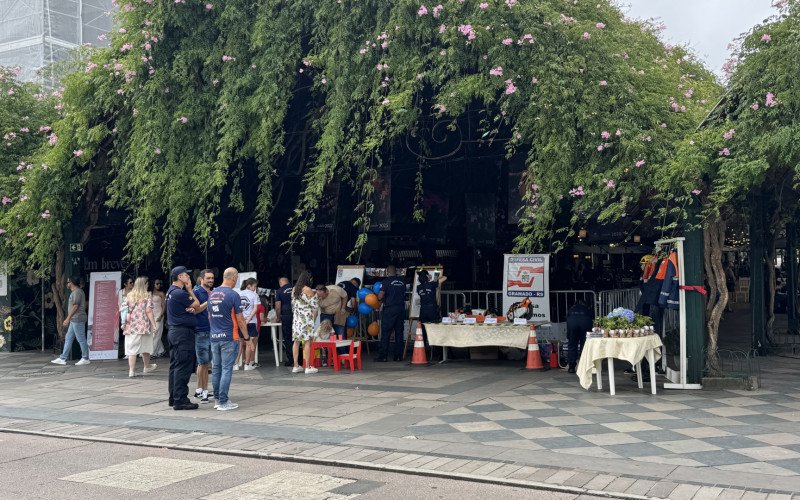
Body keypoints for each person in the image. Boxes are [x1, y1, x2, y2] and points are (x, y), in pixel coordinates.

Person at [208, 267, 252, 411]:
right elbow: (240, 320)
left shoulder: (212, 293)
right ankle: (224, 401)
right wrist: (247, 338)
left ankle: (217, 400)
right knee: (226, 369)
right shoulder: (233, 295)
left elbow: (210, 316)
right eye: (237, 278)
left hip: (214, 337)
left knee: (216, 369)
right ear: (234, 278)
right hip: (229, 337)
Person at [166, 265, 200, 410]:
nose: (188, 277)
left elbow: (192, 308)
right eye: (186, 275)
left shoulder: (170, 292)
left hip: (175, 332)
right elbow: (197, 304)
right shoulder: (180, 293)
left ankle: (174, 397)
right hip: (183, 333)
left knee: (175, 366)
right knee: (183, 366)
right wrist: (191, 290)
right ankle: (180, 399)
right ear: (180, 277)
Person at [123, 277, 158, 378]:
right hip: (144, 326)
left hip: (130, 326)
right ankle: (146, 366)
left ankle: (131, 371)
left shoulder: (129, 295)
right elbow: (149, 311)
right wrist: (154, 324)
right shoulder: (147, 296)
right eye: (147, 284)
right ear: (144, 285)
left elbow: (124, 309)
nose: (148, 285)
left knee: (131, 350)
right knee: (146, 346)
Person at [51, 277, 90, 366]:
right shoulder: (76, 292)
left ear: (71, 283)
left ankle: (85, 358)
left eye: (68, 282)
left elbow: (75, 306)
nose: (66, 284)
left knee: (81, 339)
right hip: (74, 320)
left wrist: (68, 318)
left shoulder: (77, 292)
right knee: (68, 338)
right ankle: (63, 358)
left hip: (77, 319)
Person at [377, 265, 407, 362]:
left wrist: (377, 297)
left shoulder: (385, 282)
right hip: (401, 308)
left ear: (387, 272)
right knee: (399, 333)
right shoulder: (402, 281)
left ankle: (383, 356)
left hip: (390, 309)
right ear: (396, 272)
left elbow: (380, 296)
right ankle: (398, 356)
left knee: (386, 333)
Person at [192, 269, 214, 403]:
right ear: (201, 279)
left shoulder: (213, 291)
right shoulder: (196, 292)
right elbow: (195, 310)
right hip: (201, 331)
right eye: (208, 278)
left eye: (212, 278)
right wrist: (209, 300)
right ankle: (204, 392)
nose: (211, 280)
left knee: (204, 363)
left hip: (211, 329)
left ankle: (199, 389)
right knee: (203, 363)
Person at [291, 271, 319, 374]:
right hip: (306, 319)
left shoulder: (294, 289)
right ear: (308, 279)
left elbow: (293, 305)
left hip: (297, 319)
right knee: (307, 342)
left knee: (296, 342)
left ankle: (295, 366)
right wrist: (315, 295)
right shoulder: (308, 289)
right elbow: (315, 304)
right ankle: (307, 366)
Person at [417, 269, 447, 353]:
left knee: (423, 332)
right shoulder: (432, 284)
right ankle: (440, 352)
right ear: (427, 276)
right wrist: (434, 278)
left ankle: (422, 351)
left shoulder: (418, 287)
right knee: (435, 330)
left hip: (423, 310)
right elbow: (445, 277)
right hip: (432, 310)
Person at [566, 299, 594, 373]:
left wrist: (569, 335)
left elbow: (568, 320)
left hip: (572, 324)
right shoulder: (587, 309)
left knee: (572, 345)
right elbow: (592, 318)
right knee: (585, 344)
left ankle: (571, 366)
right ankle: (584, 366)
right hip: (585, 323)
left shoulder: (571, 309)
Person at [239, 278, 260, 370]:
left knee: (239, 343)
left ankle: (235, 364)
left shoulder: (238, 294)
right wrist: (248, 319)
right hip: (251, 322)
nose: (255, 288)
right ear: (249, 286)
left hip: (240, 321)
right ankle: (247, 364)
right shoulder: (254, 295)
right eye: (254, 286)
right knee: (249, 343)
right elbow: (255, 309)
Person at [274, 276, 294, 367]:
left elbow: (278, 307)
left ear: (280, 283)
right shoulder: (295, 288)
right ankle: (300, 358)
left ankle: (291, 360)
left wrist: (278, 318)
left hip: (286, 316)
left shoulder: (279, 291)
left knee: (288, 337)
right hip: (297, 315)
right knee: (298, 337)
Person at [151, 278, 166, 357]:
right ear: (153, 284)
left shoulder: (161, 293)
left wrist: (161, 315)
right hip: (151, 315)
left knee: (156, 333)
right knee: (153, 333)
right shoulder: (149, 293)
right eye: (157, 283)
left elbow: (164, 305)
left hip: (159, 314)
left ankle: (152, 352)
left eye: (159, 283)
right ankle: (161, 350)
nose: (159, 285)